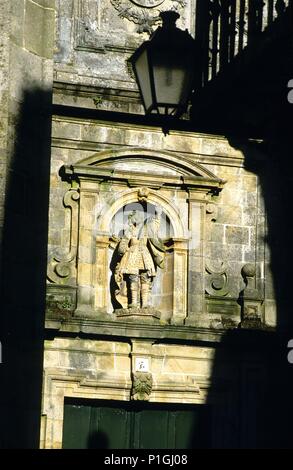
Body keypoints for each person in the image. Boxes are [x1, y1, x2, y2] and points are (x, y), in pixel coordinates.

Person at [114, 208, 165, 309]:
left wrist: (158, 213)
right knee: (133, 278)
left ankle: (144, 303)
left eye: (138, 217)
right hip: (132, 256)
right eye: (135, 217)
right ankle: (133, 302)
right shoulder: (130, 231)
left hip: (145, 256)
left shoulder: (147, 228)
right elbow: (123, 244)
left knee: (145, 278)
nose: (137, 218)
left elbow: (155, 224)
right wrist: (122, 252)